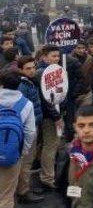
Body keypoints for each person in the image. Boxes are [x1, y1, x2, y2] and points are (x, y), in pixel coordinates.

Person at [0, 71, 36, 208]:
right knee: (6, 195)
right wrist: (22, 151)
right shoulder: (26, 104)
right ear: (19, 85)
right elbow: (30, 132)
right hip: (12, 154)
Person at [36, 44, 65, 191]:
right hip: (50, 117)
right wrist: (57, 117)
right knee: (50, 146)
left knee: (51, 145)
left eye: (58, 56)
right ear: (44, 57)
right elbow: (46, 100)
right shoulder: (43, 72)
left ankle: (48, 174)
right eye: (53, 56)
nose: (56, 59)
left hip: (53, 114)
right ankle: (47, 178)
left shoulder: (52, 70)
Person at [16, 57, 44, 204]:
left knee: (27, 160)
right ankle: (23, 191)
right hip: (28, 128)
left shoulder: (30, 82)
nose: (32, 70)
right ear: (21, 70)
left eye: (33, 67)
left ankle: (23, 187)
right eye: (28, 68)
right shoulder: (23, 86)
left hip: (33, 124)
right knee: (26, 161)